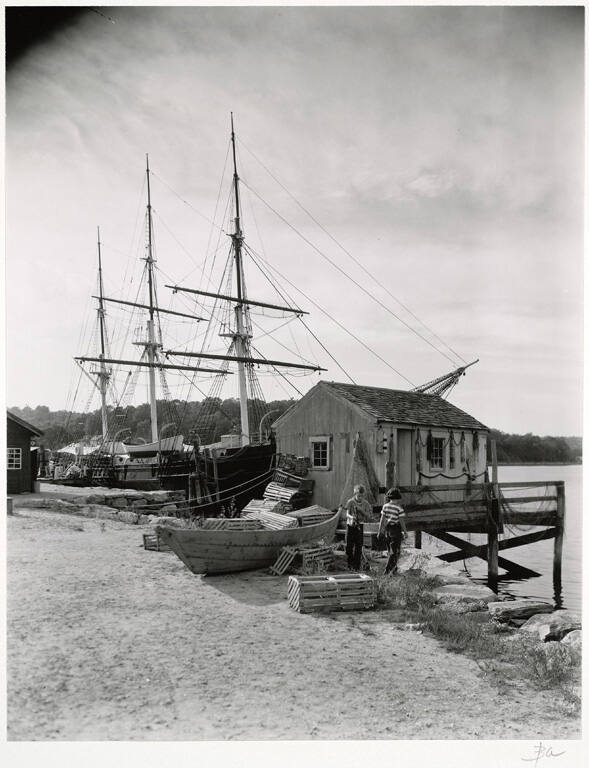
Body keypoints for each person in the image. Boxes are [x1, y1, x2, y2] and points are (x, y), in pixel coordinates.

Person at [378, 487, 408, 575]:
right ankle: (387, 571)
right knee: (396, 552)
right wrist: (405, 532)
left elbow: (382, 520)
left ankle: (394, 569)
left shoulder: (385, 506)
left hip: (387, 529)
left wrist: (380, 531)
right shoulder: (399, 508)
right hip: (396, 529)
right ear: (398, 498)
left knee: (390, 551)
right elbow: (401, 521)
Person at [344, 484, 373, 570]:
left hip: (360, 526)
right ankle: (350, 565)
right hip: (350, 525)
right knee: (349, 546)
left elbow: (369, 516)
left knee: (358, 547)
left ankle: (357, 567)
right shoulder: (350, 502)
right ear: (355, 494)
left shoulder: (366, 504)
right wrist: (351, 517)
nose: (360, 497)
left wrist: (361, 511)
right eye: (359, 496)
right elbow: (347, 514)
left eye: (362, 496)